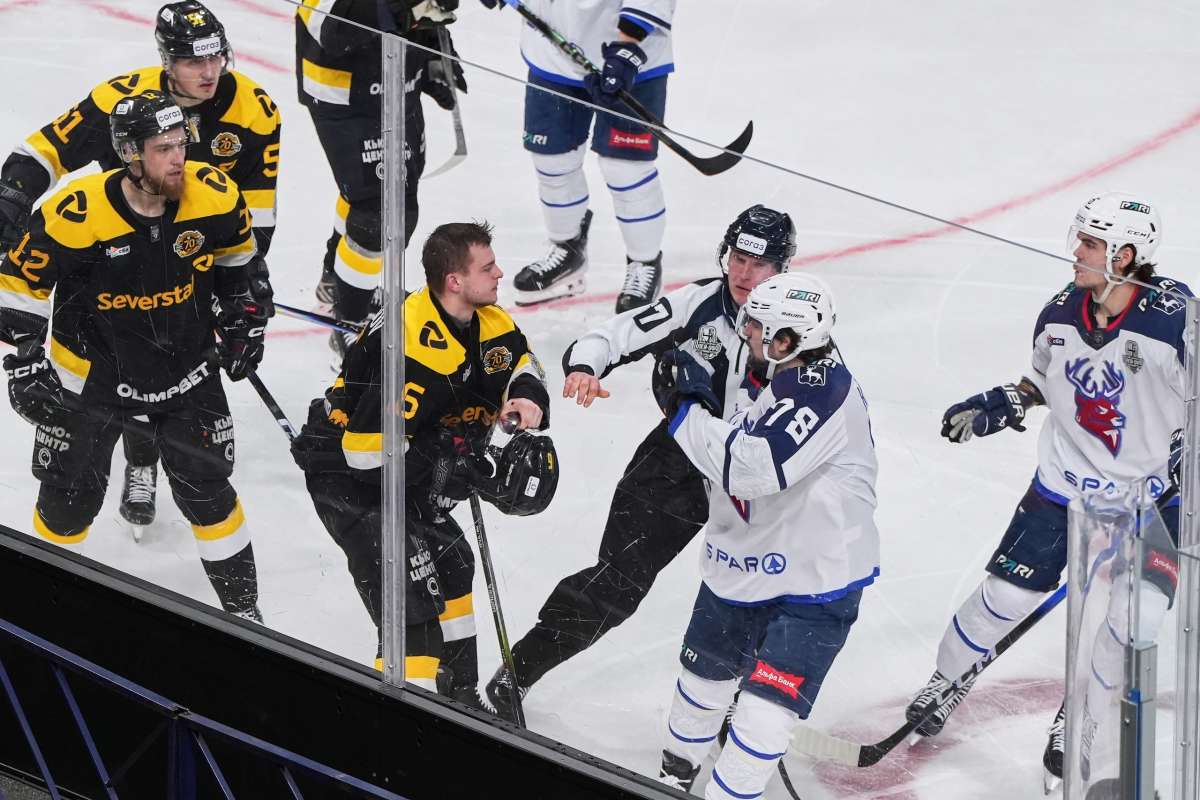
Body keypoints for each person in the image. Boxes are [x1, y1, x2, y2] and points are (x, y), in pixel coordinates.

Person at [902, 192, 1188, 790]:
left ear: (1125, 255)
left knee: (1132, 622)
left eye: (1091, 243)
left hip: (1154, 500)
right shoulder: (1059, 315)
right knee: (1003, 598)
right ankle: (949, 678)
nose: (1076, 252)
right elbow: (1041, 379)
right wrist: (1011, 399)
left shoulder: (1176, 323)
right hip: (1064, 486)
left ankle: (1081, 713)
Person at [485, 204, 795, 720]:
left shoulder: (801, 326)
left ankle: (744, 712)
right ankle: (519, 671)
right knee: (615, 584)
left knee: (766, 596)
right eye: (738, 259)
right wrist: (586, 366)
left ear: (781, 268)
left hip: (756, 482)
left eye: (758, 265)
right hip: (675, 466)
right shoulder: (698, 303)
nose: (743, 274)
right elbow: (609, 336)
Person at [0, 1, 280, 537]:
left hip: (190, 261)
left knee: (169, 363)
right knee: (115, 356)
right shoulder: (120, 100)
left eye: (216, 57)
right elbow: (41, 153)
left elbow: (256, 215)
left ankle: (145, 459)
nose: (209, 72)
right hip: (110, 261)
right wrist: (9, 203)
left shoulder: (255, 111)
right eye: (193, 60)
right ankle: (137, 457)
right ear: (165, 59)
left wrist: (240, 285)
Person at [0, 91, 268, 620]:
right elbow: (18, 282)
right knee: (66, 504)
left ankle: (245, 615)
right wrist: (26, 361)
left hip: (186, 371)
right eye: (163, 148)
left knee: (210, 495)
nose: (179, 158)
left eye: (181, 144)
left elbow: (241, 264)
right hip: (89, 378)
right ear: (129, 153)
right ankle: (38, 612)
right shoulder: (77, 213)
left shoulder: (214, 195)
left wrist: (245, 318)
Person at [290, 221, 555, 704]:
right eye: (488, 267)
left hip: (410, 468)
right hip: (348, 478)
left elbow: (522, 362)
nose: (500, 274)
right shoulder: (407, 346)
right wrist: (452, 463)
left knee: (454, 563)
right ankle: (404, 716)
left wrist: (525, 394)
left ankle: (461, 695)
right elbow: (366, 457)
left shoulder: (488, 319)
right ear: (455, 281)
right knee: (410, 602)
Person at [653, 271, 879, 797]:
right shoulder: (769, 368)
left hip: (814, 583)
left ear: (786, 341)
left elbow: (751, 468)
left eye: (756, 325)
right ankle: (671, 778)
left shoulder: (823, 391)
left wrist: (684, 410)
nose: (745, 331)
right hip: (743, 560)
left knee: (761, 716)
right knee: (701, 683)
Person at [478, 0, 675, 313]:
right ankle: (567, 249)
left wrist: (628, 44)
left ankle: (644, 263)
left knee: (625, 168)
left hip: (632, 57)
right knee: (552, 160)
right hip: (552, 49)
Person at [295, 0, 466, 357]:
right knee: (380, 211)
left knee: (384, 198)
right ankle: (348, 323)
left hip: (398, 78)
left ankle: (338, 283)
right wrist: (410, 7)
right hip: (345, 94)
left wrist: (434, 50)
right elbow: (332, 29)